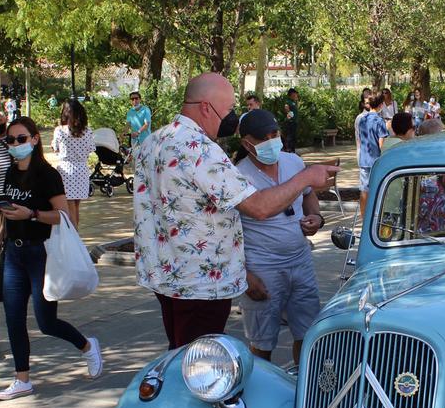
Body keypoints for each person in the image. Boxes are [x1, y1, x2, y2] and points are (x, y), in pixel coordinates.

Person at [132, 72, 338, 349]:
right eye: (228, 109)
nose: (231, 118)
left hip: (167, 275)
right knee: (198, 362)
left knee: (180, 351)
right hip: (201, 282)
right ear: (206, 107)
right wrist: (306, 176)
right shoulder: (200, 149)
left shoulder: (153, 141)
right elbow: (258, 207)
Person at [0, 116, 103, 400]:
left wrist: (33, 214)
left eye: (21, 139)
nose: (15, 145)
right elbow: (5, 211)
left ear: (35, 139)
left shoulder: (48, 175)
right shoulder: (11, 172)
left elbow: (64, 218)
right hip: (14, 254)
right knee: (13, 318)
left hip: (41, 253)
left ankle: (87, 346)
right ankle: (21, 378)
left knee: (46, 322)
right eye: (10, 140)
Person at [234, 109, 324, 365]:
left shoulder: (292, 161)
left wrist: (316, 218)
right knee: (262, 344)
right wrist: (246, 276)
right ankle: (262, 395)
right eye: (264, 138)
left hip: (300, 261)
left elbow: (308, 194)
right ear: (246, 143)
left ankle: (304, 390)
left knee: (308, 336)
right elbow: (227, 232)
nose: (271, 141)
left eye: (274, 134)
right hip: (262, 268)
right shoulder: (238, 176)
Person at [51, 99, 95, 228]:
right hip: (82, 169)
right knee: (76, 206)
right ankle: (76, 235)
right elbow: (90, 149)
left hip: (66, 169)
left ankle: (74, 239)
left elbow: (55, 148)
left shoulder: (60, 130)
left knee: (69, 207)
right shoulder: (87, 131)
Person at [357, 94, 389, 219]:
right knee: (378, 189)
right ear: (381, 105)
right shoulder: (379, 121)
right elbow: (382, 143)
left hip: (364, 158)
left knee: (364, 190)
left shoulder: (362, 120)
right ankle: (377, 217)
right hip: (376, 160)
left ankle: (364, 217)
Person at [283, 87, 300, 153]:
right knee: (290, 136)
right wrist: (290, 116)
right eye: (295, 94)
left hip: (294, 122)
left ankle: (292, 150)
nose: (296, 95)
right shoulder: (288, 101)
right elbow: (286, 109)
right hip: (290, 122)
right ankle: (288, 149)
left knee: (293, 136)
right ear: (292, 94)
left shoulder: (294, 102)